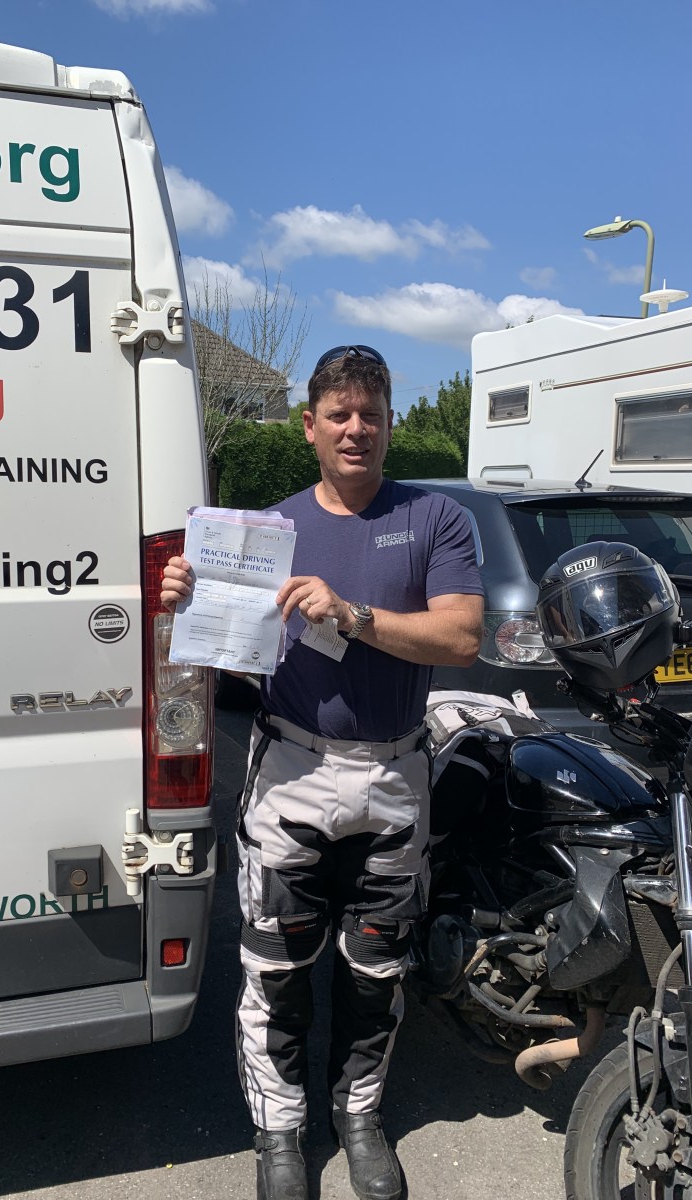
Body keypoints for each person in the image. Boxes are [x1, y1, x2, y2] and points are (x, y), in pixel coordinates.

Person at [161, 345, 484, 1200]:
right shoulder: (266, 532)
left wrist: (353, 614)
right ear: (308, 426)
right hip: (291, 774)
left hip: (395, 779)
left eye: (370, 414)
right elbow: (227, 659)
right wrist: (186, 605)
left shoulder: (437, 518)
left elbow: (461, 638)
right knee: (277, 969)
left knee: (376, 969)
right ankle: (279, 1134)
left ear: (390, 424)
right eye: (338, 414)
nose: (355, 429)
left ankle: (359, 1118)